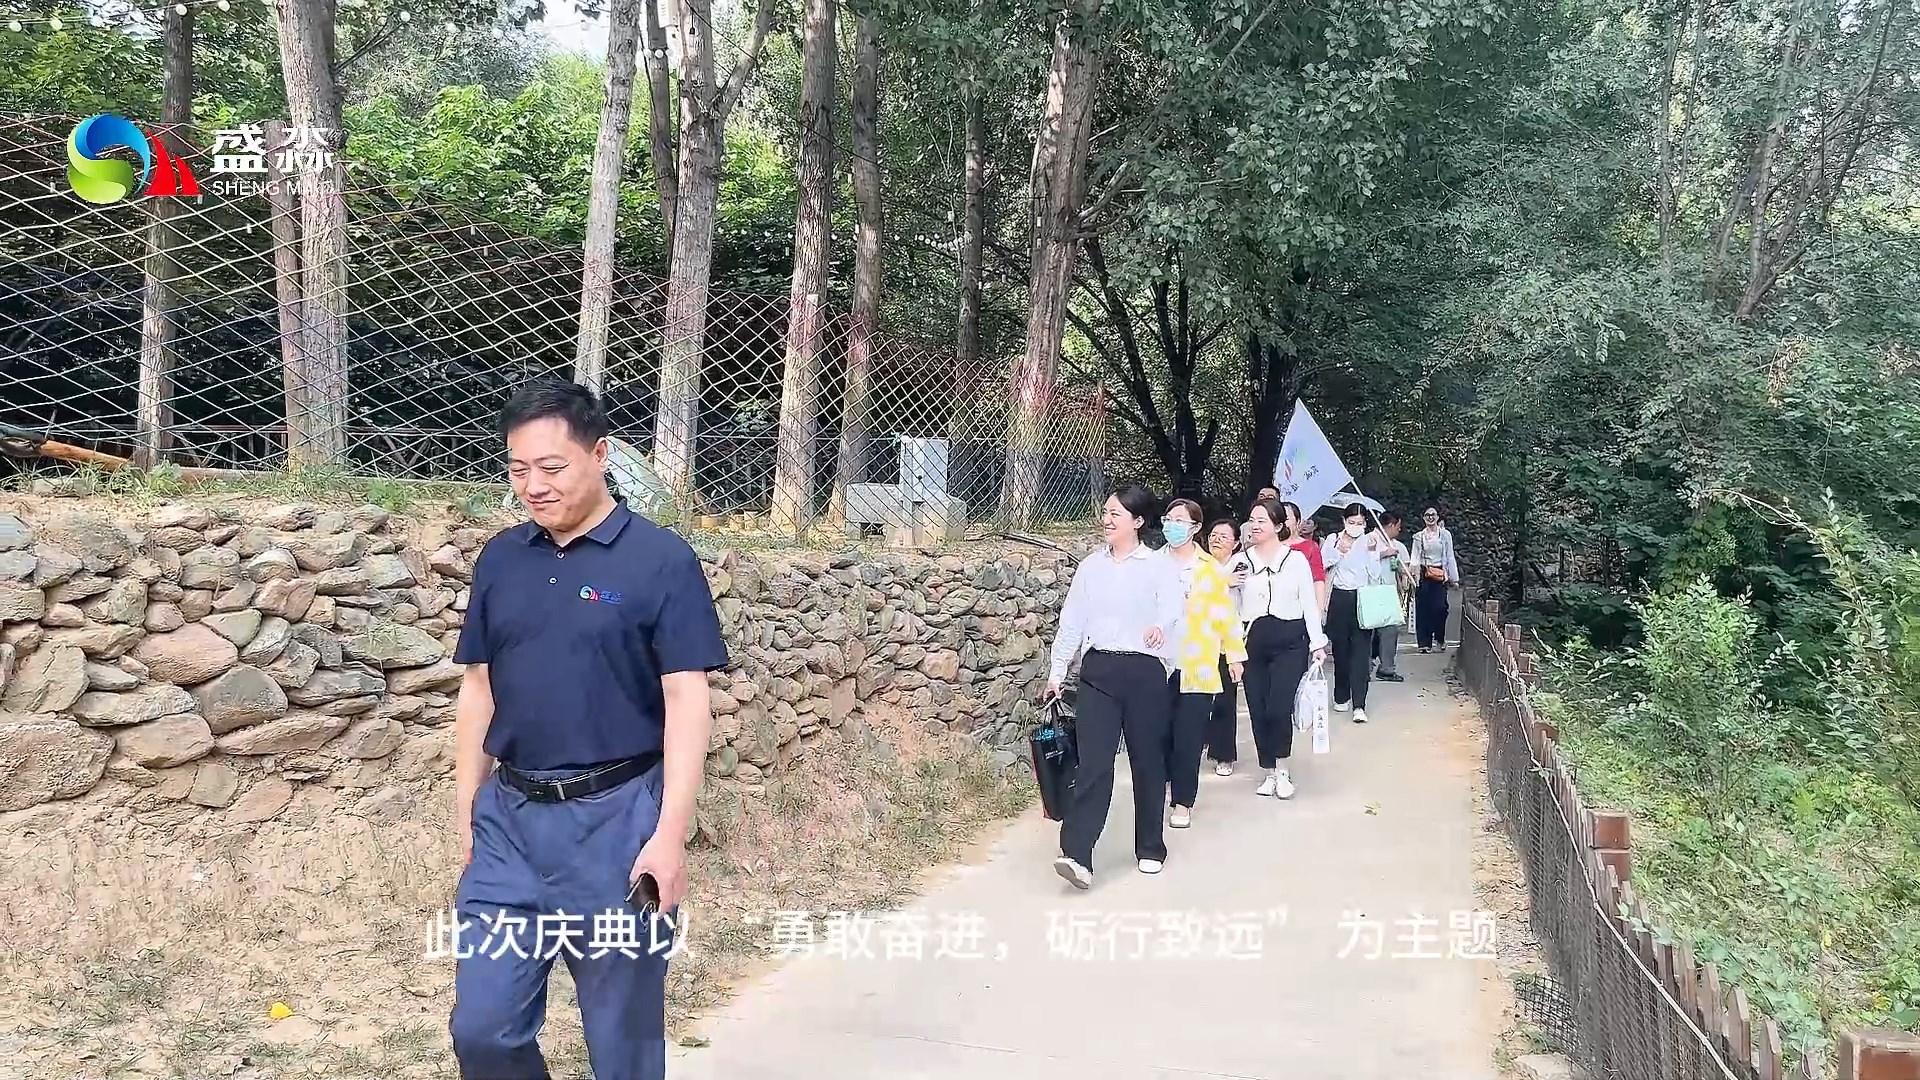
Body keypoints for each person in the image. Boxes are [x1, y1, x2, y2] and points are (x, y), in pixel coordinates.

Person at [448, 380, 730, 1080]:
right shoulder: (501, 560)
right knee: (483, 1031)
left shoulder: (660, 560)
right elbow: (478, 688)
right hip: (510, 823)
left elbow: (687, 699)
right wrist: (468, 812)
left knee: (622, 1047)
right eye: (518, 469)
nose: (533, 486)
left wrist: (669, 836)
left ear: (599, 455)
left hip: (618, 822)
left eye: (552, 467)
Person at [1044, 483, 1184, 887]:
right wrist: (1057, 672)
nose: (1107, 520)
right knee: (1093, 764)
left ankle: (1151, 846)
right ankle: (1077, 853)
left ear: (1137, 521)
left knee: (1147, 761)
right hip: (1099, 671)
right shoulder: (1091, 567)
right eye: (1105, 513)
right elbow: (1072, 622)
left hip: (1144, 672)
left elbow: (1174, 607)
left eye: (1115, 514)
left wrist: (1161, 627)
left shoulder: (1158, 566)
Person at [1159, 500, 1246, 828]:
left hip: (1198, 663)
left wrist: (1234, 655)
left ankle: (1183, 801)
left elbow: (1226, 615)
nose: (1172, 525)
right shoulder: (1152, 564)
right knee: (1159, 733)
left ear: (1195, 527)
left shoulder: (1210, 569)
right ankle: (1163, 782)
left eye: (1180, 520)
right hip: (1157, 662)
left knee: (1189, 736)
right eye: (1169, 519)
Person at [1235, 498, 1329, 799]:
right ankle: (1268, 770)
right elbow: (1229, 605)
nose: (1255, 526)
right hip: (1252, 641)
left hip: (1290, 641)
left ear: (1278, 526)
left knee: (1278, 707)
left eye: (1262, 520)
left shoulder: (1296, 560)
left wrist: (1317, 642)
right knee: (1258, 708)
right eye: (1252, 520)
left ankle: (1283, 767)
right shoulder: (1240, 561)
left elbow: (1308, 603)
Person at [1321, 502, 1389, 724]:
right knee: (1341, 651)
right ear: (1344, 521)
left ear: (1365, 523)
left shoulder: (1370, 541)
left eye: (1360, 523)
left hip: (1362, 598)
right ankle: (1341, 695)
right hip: (1339, 599)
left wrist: (1372, 553)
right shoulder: (1333, 540)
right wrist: (1339, 551)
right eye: (1351, 522)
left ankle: (1359, 704)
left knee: (1361, 653)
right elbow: (1323, 563)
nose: (1355, 526)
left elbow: (1375, 574)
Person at [1203, 518, 1246, 775]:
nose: (1216, 540)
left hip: (1227, 642)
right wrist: (1221, 581)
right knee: (1196, 699)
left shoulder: (1241, 565)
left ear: (1236, 543)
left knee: (1224, 700)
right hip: (1199, 641)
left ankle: (1224, 754)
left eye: (1223, 536)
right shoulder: (1201, 564)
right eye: (1213, 535)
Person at [1411, 504, 1460, 651]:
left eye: (1433, 515)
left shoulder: (1445, 535)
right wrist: (1413, 577)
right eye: (1427, 515)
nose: (1430, 518)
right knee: (1423, 609)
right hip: (1424, 574)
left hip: (1440, 574)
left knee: (1441, 608)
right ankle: (1424, 643)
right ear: (1423, 518)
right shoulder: (1419, 537)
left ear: (1438, 517)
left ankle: (1440, 637)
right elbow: (1415, 558)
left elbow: (1450, 556)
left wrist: (1454, 578)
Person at [1373, 511, 1413, 683]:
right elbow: (1360, 560)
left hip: (1389, 592)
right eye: (1398, 526)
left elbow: (1404, 569)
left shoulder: (1397, 546)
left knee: (1390, 630)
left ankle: (1387, 668)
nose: (1399, 530)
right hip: (1370, 591)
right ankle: (1365, 665)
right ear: (1390, 525)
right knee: (1369, 631)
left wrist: (1406, 575)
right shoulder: (1369, 540)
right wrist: (1382, 554)